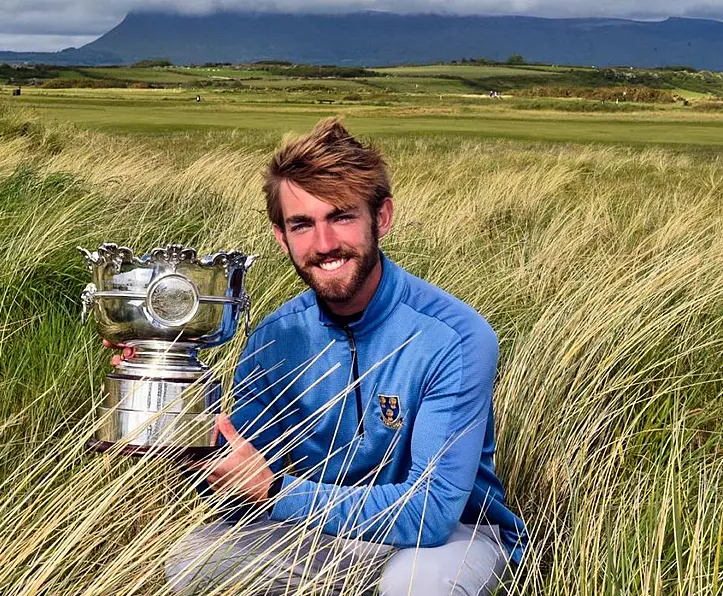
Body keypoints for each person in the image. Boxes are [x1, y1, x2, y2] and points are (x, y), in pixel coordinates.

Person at [163, 117, 528, 595]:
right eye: (302, 224)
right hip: (324, 533)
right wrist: (176, 411)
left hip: (447, 539)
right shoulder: (275, 338)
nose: (324, 244)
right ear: (281, 236)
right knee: (193, 562)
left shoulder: (454, 336)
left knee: (414, 587)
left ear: (381, 218)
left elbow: (433, 511)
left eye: (341, 216)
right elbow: (240, 496)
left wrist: (276, 491)